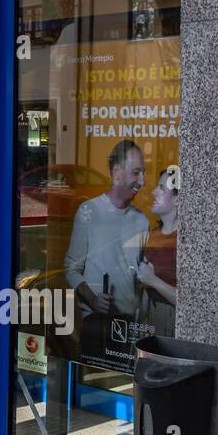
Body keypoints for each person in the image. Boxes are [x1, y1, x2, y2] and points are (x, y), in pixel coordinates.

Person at [63, 140, 150, 335]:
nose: (143, 181)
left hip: (131, 329)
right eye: (136, 172)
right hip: (96, 325)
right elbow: (71, 268)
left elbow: (140, 280)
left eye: (143, 172)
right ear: (118, 173)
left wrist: (143, 320)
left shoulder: (142, 221)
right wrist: (93, 299)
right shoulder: (89, 211)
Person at [136, 165, 178, 336]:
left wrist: (153, 280)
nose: (154, 192)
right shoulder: (152, 236)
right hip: (151, 322)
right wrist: (140, 324)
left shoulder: (185, 242)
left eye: (161, 188)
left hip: (174, 323)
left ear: (177, 199)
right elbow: (145, 290)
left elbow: (194, 303)